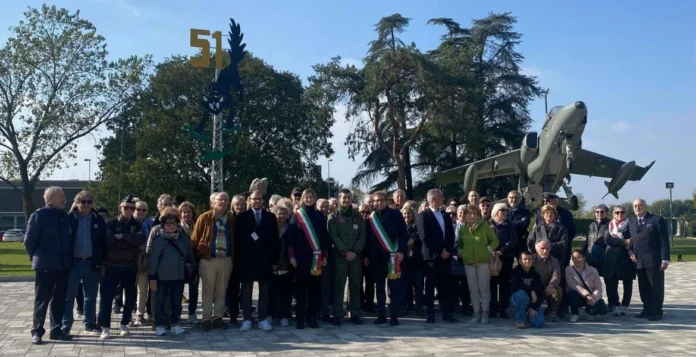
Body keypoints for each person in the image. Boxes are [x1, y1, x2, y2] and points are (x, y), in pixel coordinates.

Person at [24, 186, 73, 344]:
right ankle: (37, 332)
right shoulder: (39, 216)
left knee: (60, 299)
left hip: (63, 265)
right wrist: (37, 258)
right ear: (50, 198)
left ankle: (56, 331)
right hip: (45, 265)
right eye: (61, 195)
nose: (64, 198)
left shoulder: (64, 216)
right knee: (42, 300)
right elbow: (29, 241)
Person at [98, 195, 146, 339]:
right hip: (112, 265)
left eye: (132, 208)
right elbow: (110, 242)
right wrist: (128, 240)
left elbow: (139, 239)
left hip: (130, 265)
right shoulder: (111, 223)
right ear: (120, 208)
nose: (129, 210)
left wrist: (123, 237)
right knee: (107, 297)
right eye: (126, 207)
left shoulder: (137, 224)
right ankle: (105, 326)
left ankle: (124, 324)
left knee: (130, 296)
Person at [62, 191, 106, 337]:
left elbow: (102, 243)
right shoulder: (68, 218)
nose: (86, 204)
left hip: (91, 263)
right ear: (76, 203)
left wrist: (102, 262)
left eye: (89, 202)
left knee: (91, 297)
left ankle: (89, 324)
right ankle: (66, 324)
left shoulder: (98, 220)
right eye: (82, 201)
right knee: (69, 296)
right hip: (73, 263)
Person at [191, 192, 236, 331]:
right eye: (219, 200)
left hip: (226, 259)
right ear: (213, 203)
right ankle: (205, 318)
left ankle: (218, 317)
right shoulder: (204, 217)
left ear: (228, 203)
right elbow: (194, 239)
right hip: (208, 259)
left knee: (222, 290)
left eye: (225, 200)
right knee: (207, 290)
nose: (222, 203)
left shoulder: (231, 219)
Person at [236, 190, 280, 332]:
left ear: (263, 201)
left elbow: (275, 240)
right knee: (247, 292)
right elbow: (239, 241)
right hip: (247, 261)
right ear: (249, 200)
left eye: (260, 199)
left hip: (265, 260)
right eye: (254, 199)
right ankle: (247, 319)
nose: (257, 201)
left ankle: (262, 319)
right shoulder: (242, 217)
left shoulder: (270, 217)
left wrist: (275, 260)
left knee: (264, 292)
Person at [148, 211, 196, 335]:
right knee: (160, 301)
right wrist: (152, 277)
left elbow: (189, 254)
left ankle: (175, 323)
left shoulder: (183, 238)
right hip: (162, 277)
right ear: (163, 225)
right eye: (168, 224)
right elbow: (153, 260)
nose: (171, 226)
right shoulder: (159, 240)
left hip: (178, 276)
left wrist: (192, 268)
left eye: (174, 224)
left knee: (176, 301)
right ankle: (159, 324)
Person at [288, 189, 330, 329]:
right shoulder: (297, 216)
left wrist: (325, 255)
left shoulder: (320, 216)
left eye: (311, 197)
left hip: (316, 257)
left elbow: (324, 238)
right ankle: (300, 318)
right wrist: (292, 256)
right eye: (306, 197)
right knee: (301, 289)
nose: (309, 199)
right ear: (302, 199)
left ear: (315, 198)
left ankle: (311, 317)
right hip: (301, 257)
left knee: (314, 289)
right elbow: (291, 238)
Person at [367, 191, 408, 326]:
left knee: (394, 287)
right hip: (376, 258)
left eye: (381, 200)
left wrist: (401, 251)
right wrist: (367, 256)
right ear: (372, 203)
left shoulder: (396, 215)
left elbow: (403, 235)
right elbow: (367, 240)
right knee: (379, 288)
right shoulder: (370, 218)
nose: (379, 203)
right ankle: (381, 315)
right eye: (376, 201)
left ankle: (394, 316)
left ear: (386, 201)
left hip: (393, 256)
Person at [624, 198, 669, 321]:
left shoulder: (656, 220)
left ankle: (657, 311)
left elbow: (664, 241)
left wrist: (665, 259)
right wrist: (630, 252)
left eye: (640, 205)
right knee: (643, 287)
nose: (638, 208)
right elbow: (629, 241)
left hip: (654, 260)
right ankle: (647, 309)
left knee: (656, 287)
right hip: (638, 261)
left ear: (646, 207)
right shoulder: (632, 222)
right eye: (635, 206)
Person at [417, 189, 457, 324]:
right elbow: (425, 237)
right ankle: (430, 312)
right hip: (431, 257)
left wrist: (448, 250)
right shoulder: (423, 215)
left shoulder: (445, 215)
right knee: (430, 285)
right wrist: (440, 251)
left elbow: (451, 235)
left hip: (445, 257)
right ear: (433, 199)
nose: (443, 199)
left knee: (445, 285)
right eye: (441, 197)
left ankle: (447, 312)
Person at [328, 189, 366, 325]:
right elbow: (333, 236)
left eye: (349, 197)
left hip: (355, 256)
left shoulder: (358, 216)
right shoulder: (333, 217)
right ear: (339, 199)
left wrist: (355, 251)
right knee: (339, 285)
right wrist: (345, 251)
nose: (346, 200)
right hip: (340, 256)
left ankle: (355, 312)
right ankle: (337, 314)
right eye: (344, 197)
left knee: (355, 285)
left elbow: (362, 235)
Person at [457, 204, 499, 324]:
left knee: (484, 288)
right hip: (468, 262)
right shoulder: (463, 228)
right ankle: (477, 312)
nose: (471, 216)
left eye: (474, 213)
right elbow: (459, 244)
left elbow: (495, 240)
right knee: (473, 289)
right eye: (469, 213)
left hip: (483, 262)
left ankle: (485, 312)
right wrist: (461, 252)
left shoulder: (484, 225)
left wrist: (489, 249)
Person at [602, 205, 636, 316]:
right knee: (611, 282)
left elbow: (633, 240)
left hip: (626, 257)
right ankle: (614, 304)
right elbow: (607, 239)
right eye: (617, 212)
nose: (619, 215)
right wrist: (623, 242)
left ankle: (625, 305)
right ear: (613, 214)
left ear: (626, 213)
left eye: (622, 212)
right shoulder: (609, 224)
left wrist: (623, 242)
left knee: (627, 282)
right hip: (611, 257)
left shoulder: (631, 224)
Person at [489, 202, 517, 319]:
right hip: (492, 258)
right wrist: (492, 250)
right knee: (492, 284)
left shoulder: (509, 225)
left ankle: (503, 309)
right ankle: (493, 309)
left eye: (506, 211)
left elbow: (513, 240)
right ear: (496, 211)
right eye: (502, 210)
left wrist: (502, 251)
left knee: (505, 284)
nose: (505, 213)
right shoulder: (489, 224)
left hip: (506, 258)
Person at [268, 202, 294, 327]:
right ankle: (271, 315)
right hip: (272, 266)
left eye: (284, 213)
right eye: (279, 213)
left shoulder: (290, 228)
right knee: (271, 293)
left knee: (285, 293)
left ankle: (284, 315)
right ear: (275, 214)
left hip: (286, 266)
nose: (281, 216)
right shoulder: (270, 227)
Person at [565, 250, 606, 322]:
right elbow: (572, 285)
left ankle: (589, 311)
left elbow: (598, 287)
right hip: (578, 295)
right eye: (574, 258)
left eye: (579, 257)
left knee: (591, 316)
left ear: (584, 258)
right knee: (572, 293)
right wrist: (587, 295)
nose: (576, 260)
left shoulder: (593, 270)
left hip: (591, 296)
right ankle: (575, 314)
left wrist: (594, 297)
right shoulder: (569, 269)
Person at [509, 251, 545, 328]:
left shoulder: (535, 275)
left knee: (539, 323)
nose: (527, 261)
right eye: (525, 259)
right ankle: (521, 320)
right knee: (521, 294)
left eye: (529, 259)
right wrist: (531, 291)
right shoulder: (515, 273)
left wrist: (534, 307)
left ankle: (528, 317)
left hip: (531, 302)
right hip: (517, 299)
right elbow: (515, 286)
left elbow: (541, 293)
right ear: (520, 261)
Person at [532, 239, 563, 322]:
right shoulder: (531, 259)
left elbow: (556, 276)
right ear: (536, 249)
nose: (545, 251)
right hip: (533, 288)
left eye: (547, 248)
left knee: (558, 290)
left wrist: (551, 285)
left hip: (547, 287)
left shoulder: (554, 261)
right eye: (542, 248)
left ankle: (553, 311)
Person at [505, 190, 530, 259]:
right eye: (511, 197)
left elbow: (525, 223)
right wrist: (519, 222)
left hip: (521, 243)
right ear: (507, 199)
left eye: (516, 198)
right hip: (508, 244)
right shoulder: (504, 211)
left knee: (523, 265)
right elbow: (503, 224)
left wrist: (509, 223)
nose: (514, 200)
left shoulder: (525, 212)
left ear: (520, 199)